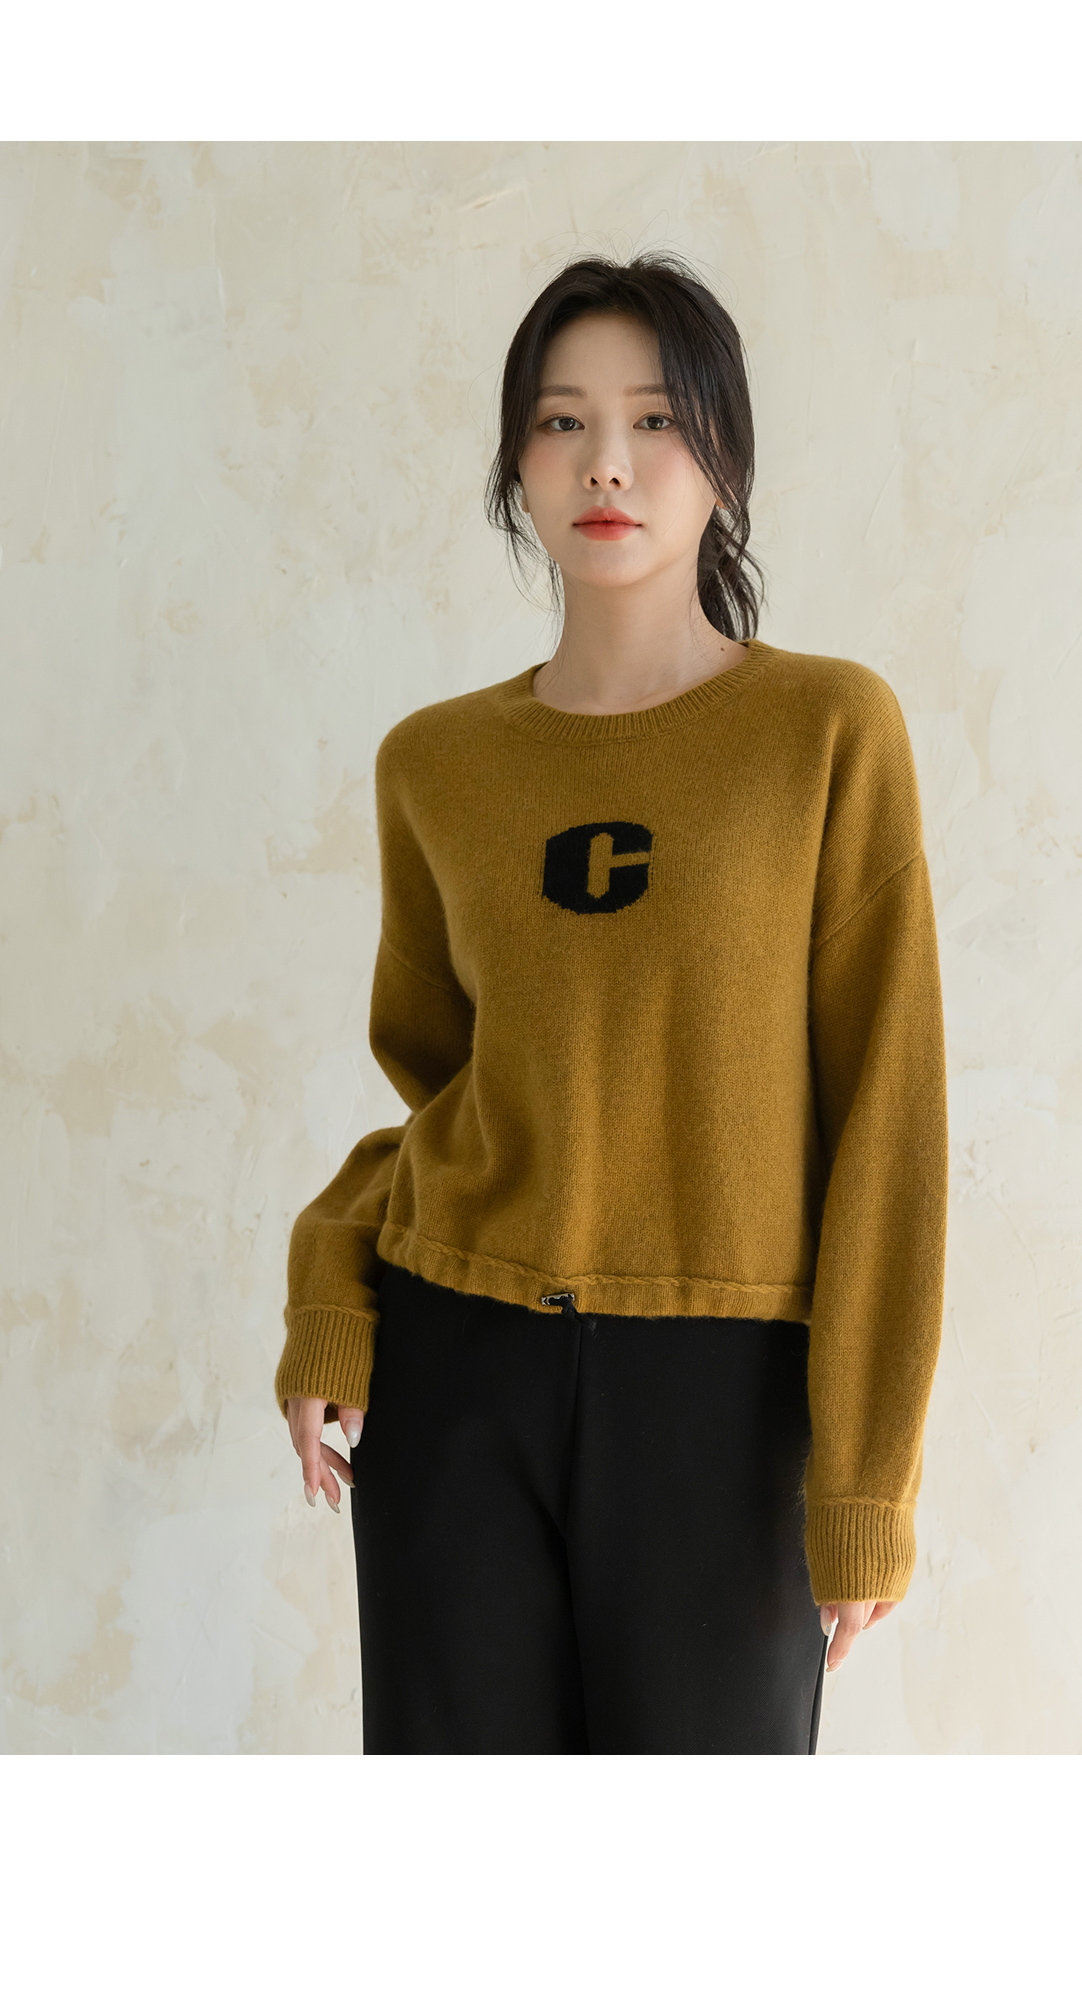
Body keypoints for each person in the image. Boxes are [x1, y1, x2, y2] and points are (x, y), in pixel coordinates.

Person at [273, 252, 948, 1754]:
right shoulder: (436, 765)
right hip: (457, 1378)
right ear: (516, 462)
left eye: (654, 419)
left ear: (724, 460)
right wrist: (332, 1287)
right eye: (562, 421)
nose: (607, 463)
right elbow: (453, 1103)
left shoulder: (828, 733)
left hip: (727, 1394)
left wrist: (865, 1483)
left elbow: (889, 1127)